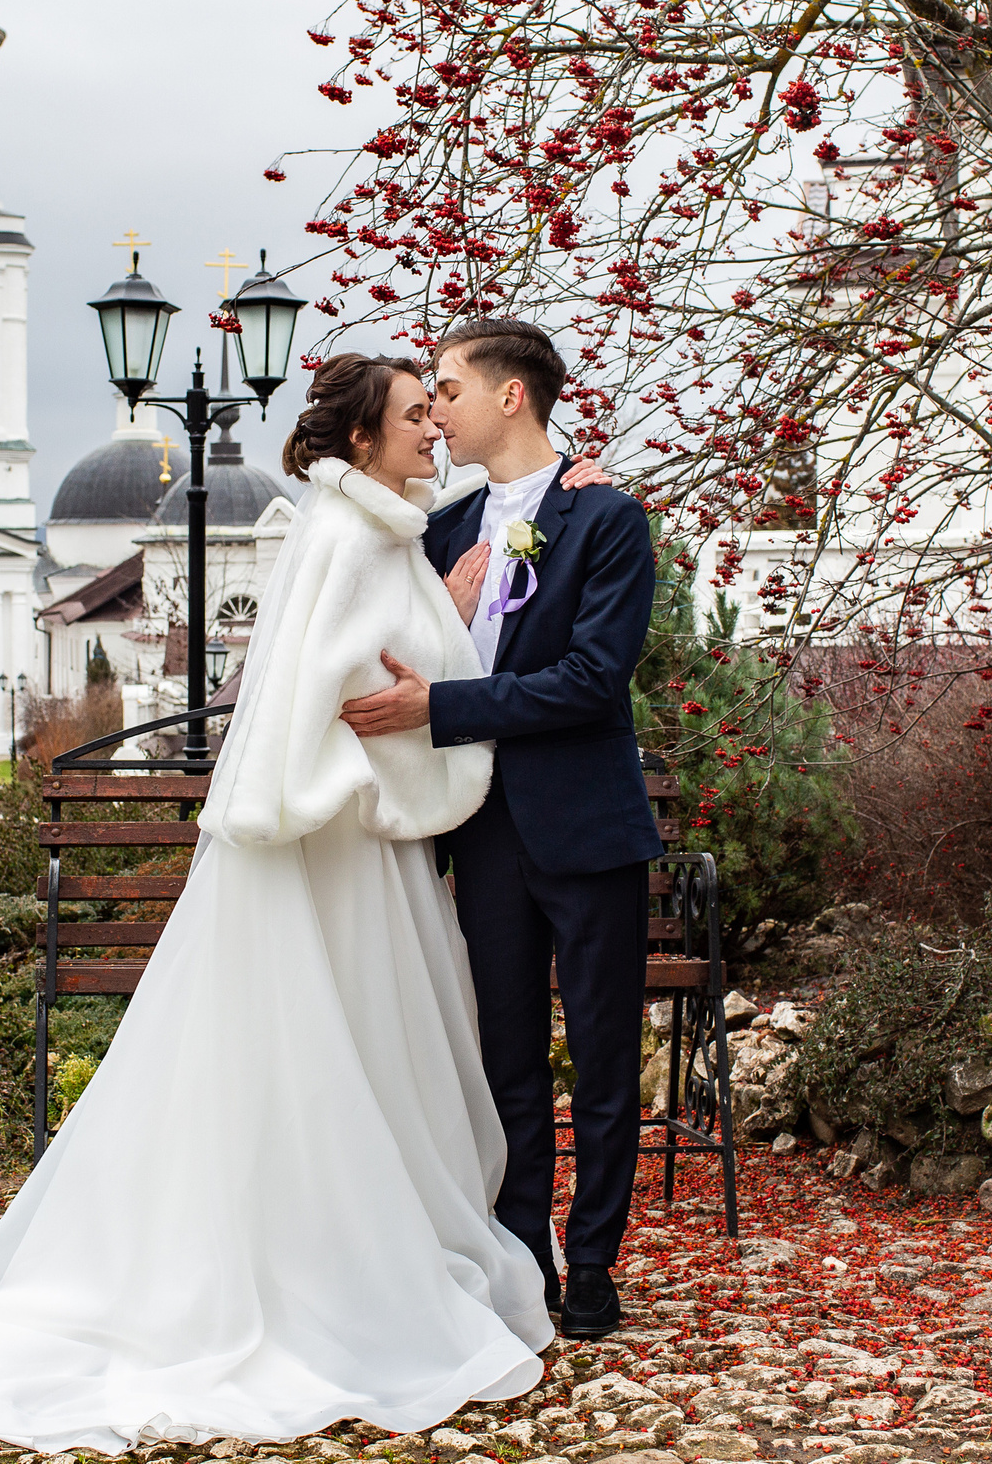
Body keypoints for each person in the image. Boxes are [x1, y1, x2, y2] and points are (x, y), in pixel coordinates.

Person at [0, 355, 606, 1456]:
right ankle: (315, 1269)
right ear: (363, 439)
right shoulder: (352, 536)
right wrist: (451, 624)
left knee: (345, 1056)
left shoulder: (376, 528)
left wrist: (453, 612)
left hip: (352, 848)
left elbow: (372, 678)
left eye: (440, 410)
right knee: (321, 1050)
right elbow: (333, 705)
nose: (433, 428)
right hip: (332, 846)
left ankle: (332, 1245)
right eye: (414, 415)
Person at [340, 317, 660, 1342]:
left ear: (509, 397)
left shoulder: (605, 519)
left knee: (606, 1062)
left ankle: (597, 1264)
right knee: (504, 1061)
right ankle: (522, 1259)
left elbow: (589, 680)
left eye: (447, 390)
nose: (433, 411)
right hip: (479, 830)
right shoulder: (440, 527)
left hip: (589, 828)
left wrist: (444, 708)